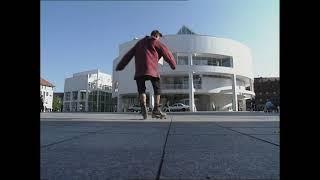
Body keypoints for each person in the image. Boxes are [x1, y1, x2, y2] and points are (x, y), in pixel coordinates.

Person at [116, 30, 176, 119]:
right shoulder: (156, 42)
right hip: (152, 70)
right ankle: (156, 110)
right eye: (159, 37)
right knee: (157, 89)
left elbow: (129, 54)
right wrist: (173, 65)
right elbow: (167, 53)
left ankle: (143, 109)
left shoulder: (139, 43)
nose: (158, 38)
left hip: (139, 71)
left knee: (141, 90)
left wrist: (120, 65)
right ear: (156, 35)